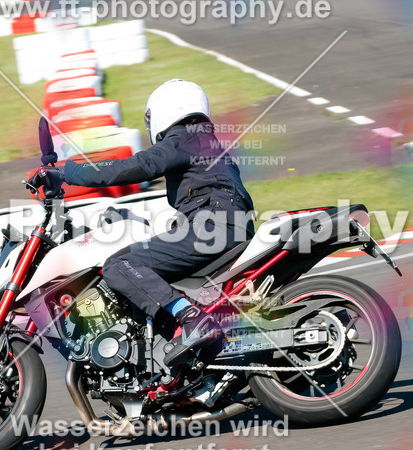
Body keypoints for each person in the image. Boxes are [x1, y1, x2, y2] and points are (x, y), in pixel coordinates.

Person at [31, 79, 255, 367]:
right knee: (145, 261)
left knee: (120, 265)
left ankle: (191, 318)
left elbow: (134, 166)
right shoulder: (204, 143)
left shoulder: (185, 137)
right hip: (223, 227)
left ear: (166, 109)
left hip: (213, 228)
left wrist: (66, 172)